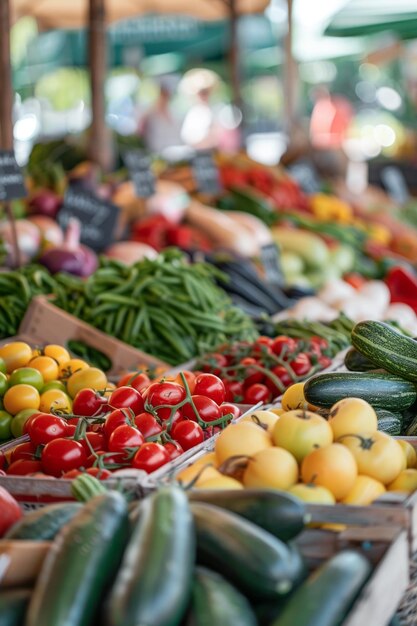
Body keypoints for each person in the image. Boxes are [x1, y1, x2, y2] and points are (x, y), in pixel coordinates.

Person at [141, 75, 183, 155]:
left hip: (174, 154)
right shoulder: (149, 112)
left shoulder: (174, 111)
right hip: (157, 153)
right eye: (163, 93)